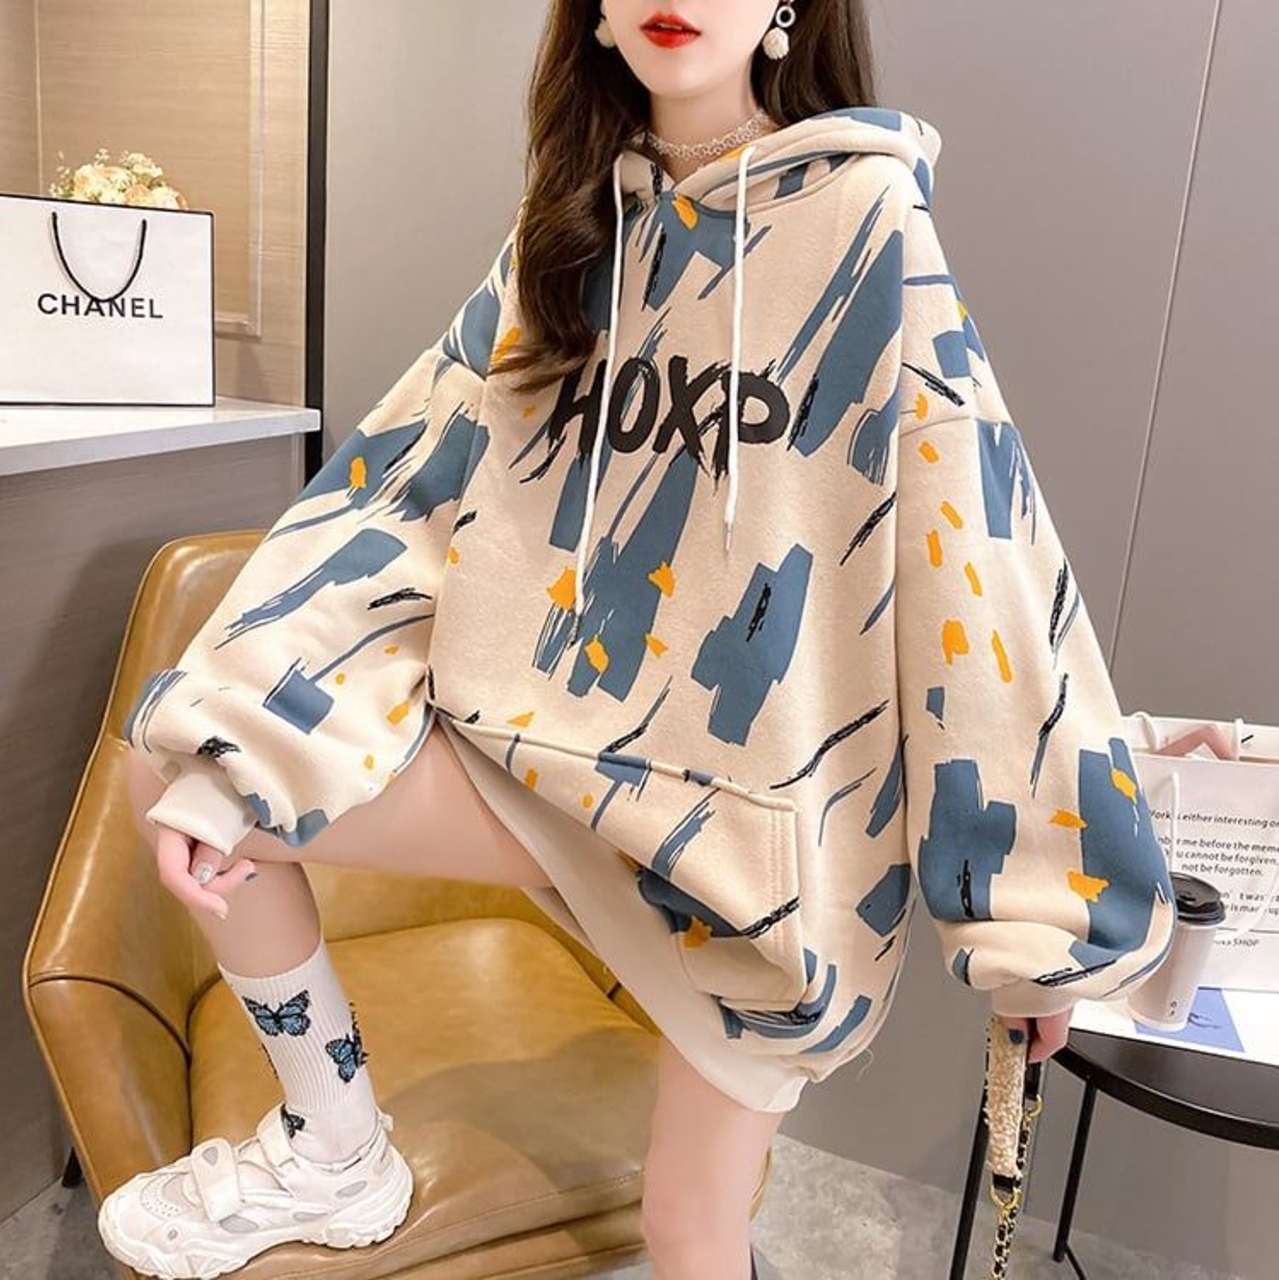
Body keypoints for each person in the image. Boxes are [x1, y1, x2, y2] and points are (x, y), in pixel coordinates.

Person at [97, 2, 1178, 1278]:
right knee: (182, 776)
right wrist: (241, 716)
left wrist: (1040, 922)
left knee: (688, 1230)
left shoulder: (863, 218)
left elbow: (977, 550)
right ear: (599, 19)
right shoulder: (565, 233)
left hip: (749, 860)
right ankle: (333, 1145)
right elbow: (404, 488)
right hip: (552, 779)